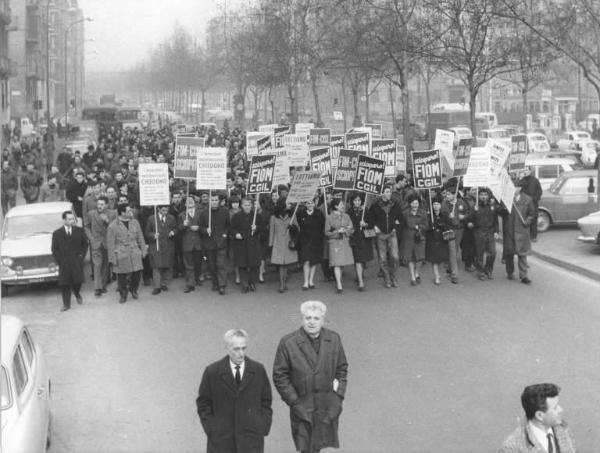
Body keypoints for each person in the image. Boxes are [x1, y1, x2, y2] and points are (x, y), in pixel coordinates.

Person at [273, 301, 348, 453]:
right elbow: (280, 376)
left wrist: (338, 395)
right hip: (303, 405)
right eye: (308, 318)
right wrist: (294, 401)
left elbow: (342, 368)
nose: (312, 322)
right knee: (306, 447)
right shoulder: (288, 343)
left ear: (323, 320)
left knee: (318, 445)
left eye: (316, 318)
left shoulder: (333, 339)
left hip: (326, 404)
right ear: (302, 319)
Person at [196, 329, 273, 453]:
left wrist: (262, 426)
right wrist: (212, 429)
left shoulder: (258, 370)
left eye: (244, 348)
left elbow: (266, 401)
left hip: (251, 439)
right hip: (222, 441)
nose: (241, 354)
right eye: (236, 349)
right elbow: (203, 403)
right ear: (226, 347)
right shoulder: (212, 372)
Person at [499, 383, 575, 453]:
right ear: (539, 415)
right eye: (555, 408)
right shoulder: (512, 447)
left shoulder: (564, 429)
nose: (561, 409)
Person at [107, 203, 147, 303]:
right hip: (121, 253)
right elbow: (110, 244)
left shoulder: (135, 222)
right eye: (128, 210)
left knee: (137, 273)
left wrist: (143, 250)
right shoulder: (113, 226)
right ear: (122, 213)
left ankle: (133, 289)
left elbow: (140, 237)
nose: (131, 212)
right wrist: (112, 259)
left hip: (134, 251)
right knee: (121, 276)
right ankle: (123, 294)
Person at [498, 181, 536, 284]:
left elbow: (532, 214)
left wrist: (527, 222)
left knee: (522, 254)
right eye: (513, 187)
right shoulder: (506, 199)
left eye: (517, 187)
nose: (515, 189)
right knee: (509, 253)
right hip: (509, 230)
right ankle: (510, 272)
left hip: (522, 230)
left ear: (520, 188)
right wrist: (505, 208)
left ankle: (524, 275)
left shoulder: (527, 199)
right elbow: (500, 212)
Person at [51, 211, 88, 312]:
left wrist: (81, 257)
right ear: (64, 220)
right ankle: (66, 304)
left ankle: (76, 293)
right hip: (64, 262)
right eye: (69, 219)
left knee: (78, 281)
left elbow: (85, 245)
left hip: (76, 260)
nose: (72, 221)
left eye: (73, 219)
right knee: (65, 283)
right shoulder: (57, 233)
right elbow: (54, 249)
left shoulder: (79, 231)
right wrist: (60, 261)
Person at [369, 185, 404, 288]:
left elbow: (400, 219)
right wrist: (374, 227)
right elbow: (370, 218)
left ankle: (394, 276)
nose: (389, 194)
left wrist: (395, 228)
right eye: (387, 192)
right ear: (382, 193)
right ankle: (387, 278)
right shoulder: (375, 205)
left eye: (390, 192)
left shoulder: (395, 204)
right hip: (380, 235)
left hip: (392, 234)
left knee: (395, 257)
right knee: (383, 258)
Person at [84, 196, 117, 297]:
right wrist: (91, 238)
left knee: (105, 265)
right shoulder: (91, 214)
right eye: (98, 204)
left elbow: (115, 227)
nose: (99, 206)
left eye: (102, 204)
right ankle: (97, 288)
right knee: (97, 265)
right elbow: (86, 226)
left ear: (106, 205)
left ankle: (103, 285)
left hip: (107, 243)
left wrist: (107, 221)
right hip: (96, 243)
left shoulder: (112, 214)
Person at [230, 198, 264, 294]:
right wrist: (236, 233)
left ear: (252, 205)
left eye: (249, 205)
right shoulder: (236, 216)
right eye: (245, 205)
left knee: (253, 265)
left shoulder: (256, 216)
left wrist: (256, 228)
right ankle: (244, 284)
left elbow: (262, 228)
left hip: (253, 243)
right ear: (242, 205)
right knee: (242, 265)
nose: (247, 207)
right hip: (241, 243)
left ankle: (252, 282)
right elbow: (231, 228)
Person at [199, 193, 230, 295]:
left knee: (220, 264)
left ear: (219, 201)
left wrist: (225, 235)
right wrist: (205, 230)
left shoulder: (225, 211)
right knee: (212, 266)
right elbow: (200, 227)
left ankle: (222, 285)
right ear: (209, 201)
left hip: (221, 242)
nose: (214, 202)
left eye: (216, 200)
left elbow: (228, 226)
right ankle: (215, 283)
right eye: (212, 200)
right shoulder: (204, 213)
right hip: (209, 243)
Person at [145, 205, 177, 295]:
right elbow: (147, 232)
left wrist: (173, 232)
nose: (165, 212)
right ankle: (157, 286)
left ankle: (164, 283)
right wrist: (153, 235)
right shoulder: (152, 218)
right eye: (163, 210)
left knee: (167, 265)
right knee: (156, 265)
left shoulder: (171, 218)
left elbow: (176, 228)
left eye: (167, 210)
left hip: (168, 245)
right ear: (158, 209)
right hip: (156, 245)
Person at [468, 188, 499, 281]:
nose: (484, 196)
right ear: (478, 196)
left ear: (488, 196)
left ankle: (488, 270)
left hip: (490, 231)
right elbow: (469, 219)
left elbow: (496, 220)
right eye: (481, 195)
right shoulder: (475, 206)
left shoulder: (492, 206)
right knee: (479, 253)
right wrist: (474, 211)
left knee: (493, 252)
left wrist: (496, 231)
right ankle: (480, 272)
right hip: (479, 232)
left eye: (485, 194)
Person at [294, 198, 325, 290]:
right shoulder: (300, 213)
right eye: (308, 203)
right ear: (305, 204)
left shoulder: (319, 214)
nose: (310, 205)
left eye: (311, 203)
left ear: (314, 204)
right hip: (304, 241)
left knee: (313, 262)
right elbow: (297, 225)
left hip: (316, 241)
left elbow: (322, 225)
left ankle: (311, 281)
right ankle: (306, 282)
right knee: (306, 261)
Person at [269, 199, 298, 293]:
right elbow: (271, 232)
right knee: (281, 265)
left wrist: (293, 228)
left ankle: (284, 281)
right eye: (288, 203)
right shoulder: (273, 217)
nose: (290, 205)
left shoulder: (292, 216)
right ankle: (282, 284)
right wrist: (271, 244)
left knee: (287, 265)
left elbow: (298, 229)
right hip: (278, 243)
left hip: (289, 242)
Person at [347, 193, 374, 291]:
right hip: (355, 238)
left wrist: (365, 224)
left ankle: (360, 274)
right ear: (352, 201)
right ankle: (361, 281)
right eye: (355, 200)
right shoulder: (349, 212)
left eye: (358, 200)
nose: (357, 202)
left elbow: (372, 223)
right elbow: (347, 223)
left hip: (364, 238)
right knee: (357, 259)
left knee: (362, 259)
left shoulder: (365, 211)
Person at [400, 194, 429, 285]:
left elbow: (427, 226)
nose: (415, 205)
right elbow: (401, 225)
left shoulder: (423, 213)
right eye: (413, 203)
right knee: (410, 258)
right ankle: (412, 277)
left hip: (419, 238)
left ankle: (417, 273)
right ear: (410, 204)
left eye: (416, 203)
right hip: (408, 238)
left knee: (420, 258)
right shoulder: (405, 213)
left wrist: (419, 227)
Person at [425, 194, 451, 285]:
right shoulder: (429, 216)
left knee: (441, 259)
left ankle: (439, 273)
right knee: (434, 260)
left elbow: (448, 227)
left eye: (437, 204)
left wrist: (443, 225)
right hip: (432, 240)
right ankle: (436, 276)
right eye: (434, 204)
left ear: (441, 205)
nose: (435, 206)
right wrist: (430, 226)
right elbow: (425, 227)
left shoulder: (444, 215)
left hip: (442, 240)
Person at [180, 196, 203, 293]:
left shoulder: (201, 213)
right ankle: (190, 284)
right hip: (187, 243)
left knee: (198, 263)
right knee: (189, 265)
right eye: (187, 201)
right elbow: (179, 230)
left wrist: (199, 228)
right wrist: (183, 225)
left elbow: (205, 227)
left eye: (192, 200)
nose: (190, 202)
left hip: (198, 243)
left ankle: (196, 279)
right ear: (185, 204)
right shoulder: (181, 215)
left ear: (195, 202)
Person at [519, 166, 543, 242]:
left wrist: (534, 199)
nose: (525, 171)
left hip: (533, 203)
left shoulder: (535, 180)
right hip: (524, 204)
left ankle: (534, 236)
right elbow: (518, 190)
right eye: (524, 170)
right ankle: (526, 236)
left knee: (533, 220)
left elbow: (539, 191)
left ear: (530, 171)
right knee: (525, 219)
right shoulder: (522, 180)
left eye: (527, 170)